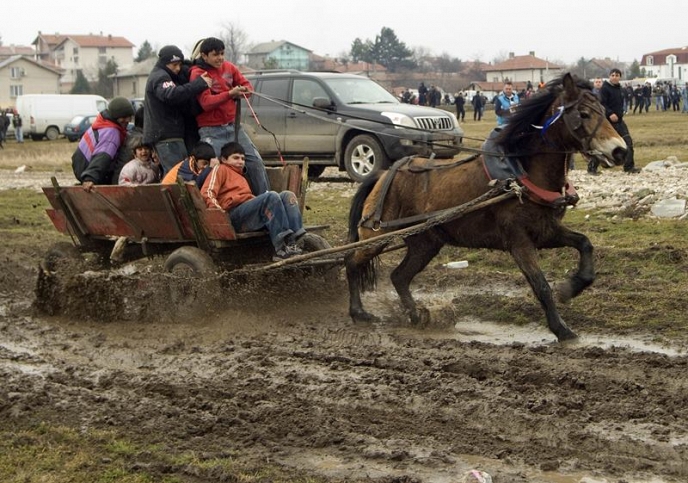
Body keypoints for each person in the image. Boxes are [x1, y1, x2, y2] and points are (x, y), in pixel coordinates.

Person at [190, 37, 269, 195]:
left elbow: (247, 85)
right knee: (214, 168)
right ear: (204, 56)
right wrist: (230, 94)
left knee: (254, 162)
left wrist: (244, 90)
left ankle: (265, 199)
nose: (220, 58)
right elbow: (206, 102)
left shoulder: (229, 67)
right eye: (215, 55)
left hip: (233, 128)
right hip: (210, 131)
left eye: (222, 54)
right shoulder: (198, 73)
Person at [201, 142, 305, 261]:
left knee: (287, 195)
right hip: (233, 216)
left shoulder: (241, 176)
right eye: (235, 158)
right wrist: (219, 213)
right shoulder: (220, 169)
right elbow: (207, 192)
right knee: (271, 196)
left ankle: (294, 243)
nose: (240, 161)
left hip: (248, 212)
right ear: (224, 159)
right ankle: (280, 249)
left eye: (243, 158)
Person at [143, 45, 213, 176]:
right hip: (166, 136)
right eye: (174, 64)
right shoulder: (160, 77)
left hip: (169, 135)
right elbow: (171, 95)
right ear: (164, 63)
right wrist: (198, 84)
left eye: (180, 64)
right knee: (177, 175)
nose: (178, 68)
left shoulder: (163, 75)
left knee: (176, 173)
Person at [71, 97, 135, 191]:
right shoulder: (112, 133)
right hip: (87, 169)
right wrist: (90, 177)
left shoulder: (103, 123)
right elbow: (102, 156)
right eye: (124, 117)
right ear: (115, 116)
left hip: (80, 164)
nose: (128, 120)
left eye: (129, 116)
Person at [600, 68, 640, 174]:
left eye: (617, 75)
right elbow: (601, 103)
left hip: (619, 121)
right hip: (607, 122)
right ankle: (592, 167)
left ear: (620, 77)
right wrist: (610, 113)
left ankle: (629, 167)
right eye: (612, 75)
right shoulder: (604, 88)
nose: (614, 77)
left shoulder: (619, 89)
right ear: (609, 76)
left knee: (628, 142)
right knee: (603, 145)